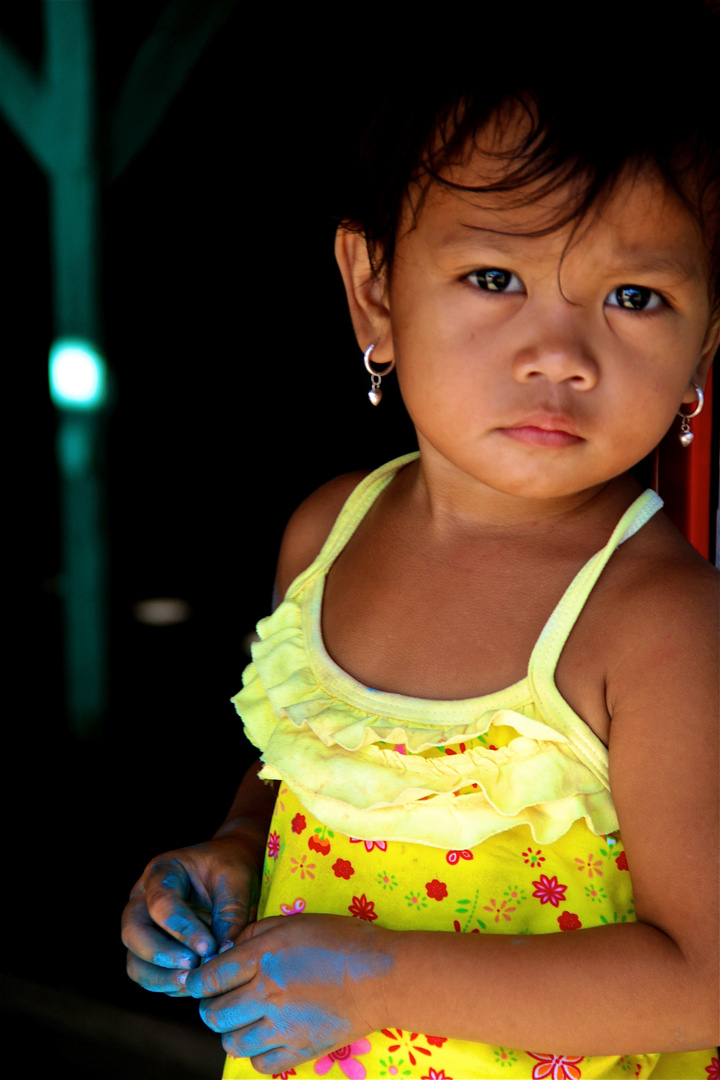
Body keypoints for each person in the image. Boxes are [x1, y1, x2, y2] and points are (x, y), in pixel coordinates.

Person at [122, 9, 720, 1078]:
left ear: (704, 341)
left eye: (635, 297)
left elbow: (703, 980)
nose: (559, 354)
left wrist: (381, 977)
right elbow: (296, 777)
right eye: (496, 279)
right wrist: (229, 854)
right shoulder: (326, 533)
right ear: (375, 289)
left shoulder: (656, 623)